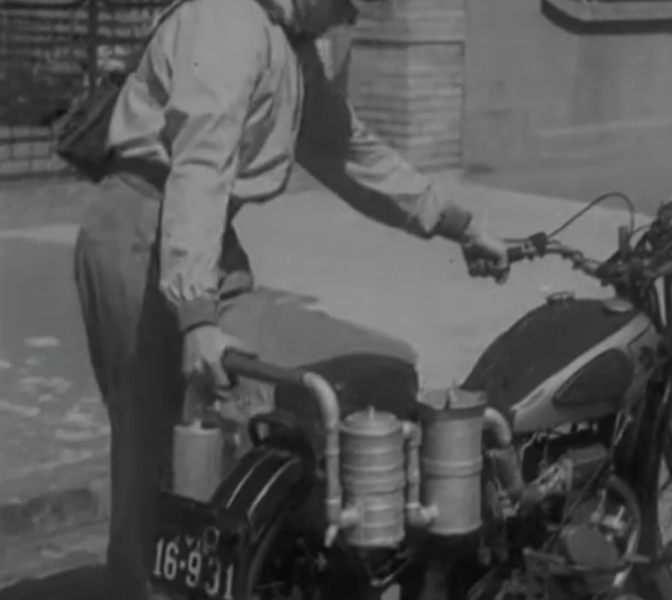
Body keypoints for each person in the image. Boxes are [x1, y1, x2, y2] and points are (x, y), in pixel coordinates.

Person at [72, 0, 509, 598]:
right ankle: (137, 587)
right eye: (344, 5)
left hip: (198, 239)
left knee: (218, 434)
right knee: (152, 448)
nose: (347, 19)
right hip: (141, 229)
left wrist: (456, 222)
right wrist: (197, 315)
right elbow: (200, 164)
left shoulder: (288, 46)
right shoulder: (228, 23)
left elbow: (351, 150)